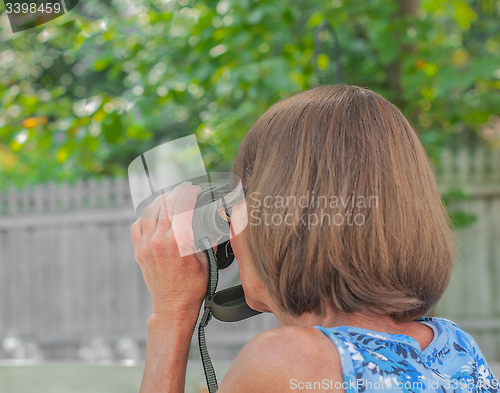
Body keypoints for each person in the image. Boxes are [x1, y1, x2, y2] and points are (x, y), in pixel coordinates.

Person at [131, 84, 499, 392]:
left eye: (232, 206)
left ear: (283, 222)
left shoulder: (288, 360)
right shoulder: (454, 348)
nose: (229, 233)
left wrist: (171, 316)